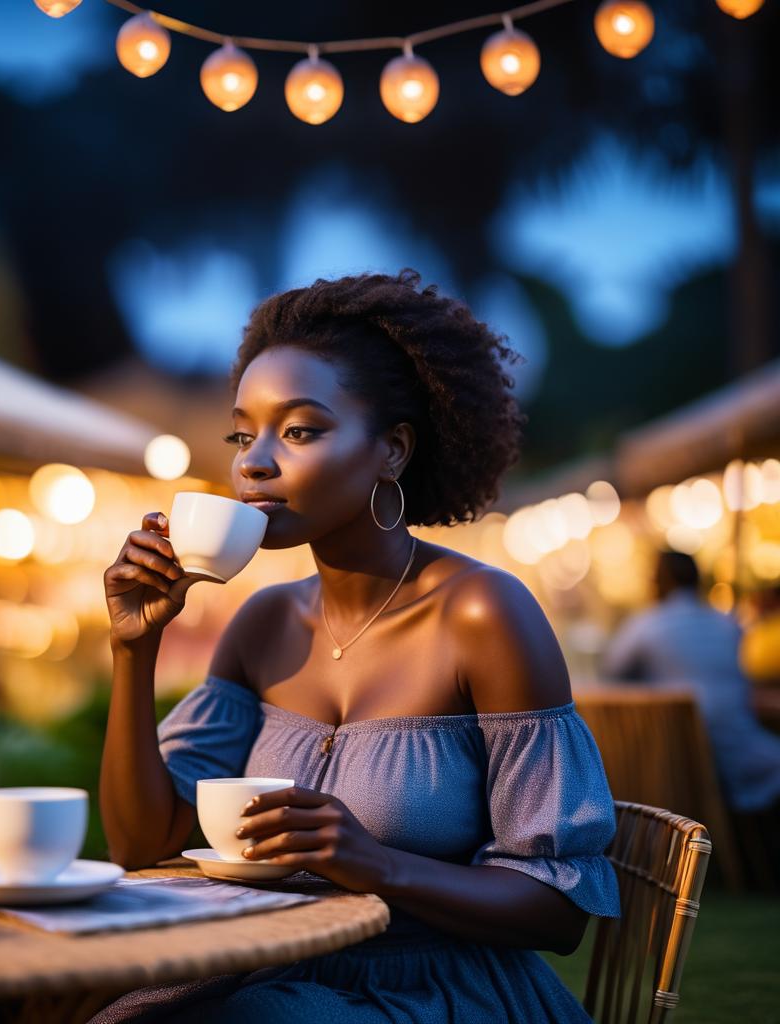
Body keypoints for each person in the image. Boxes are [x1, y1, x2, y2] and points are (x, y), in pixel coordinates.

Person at [96, 270, 620, 1023]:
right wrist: (133, 650)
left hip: (438, 991)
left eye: (300, 430)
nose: (254, 462)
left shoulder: (482, 614)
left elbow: (558, 912)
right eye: (243, 434)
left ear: (392, 452)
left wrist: (375, 865)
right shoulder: (262, 626)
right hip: (260, 971)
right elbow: (141, 843)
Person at [602, 550, 780, 814]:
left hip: (677, 771)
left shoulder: (644, 626)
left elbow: (611, 674)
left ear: (661, 582)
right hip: (742, 754)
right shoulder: (727, 624)